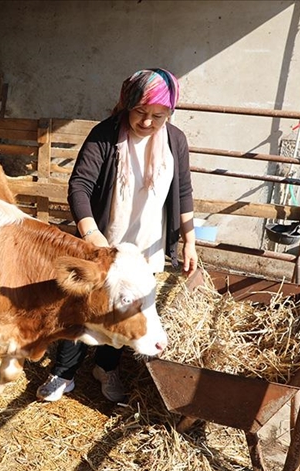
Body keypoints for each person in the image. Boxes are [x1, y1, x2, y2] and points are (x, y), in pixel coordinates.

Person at [36, 68, 198, 403]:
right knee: (83, 306)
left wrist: (189, 240)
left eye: (158, 115)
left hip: (145, 245)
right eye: (140, 112)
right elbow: (79, 186)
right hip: (104, 246)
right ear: (127, 104)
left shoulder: (175, 140)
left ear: (170, 113)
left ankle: (106, 368)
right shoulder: (105, 135)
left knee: (127, 312)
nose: (148, 122)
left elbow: (184, 191)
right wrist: (91, 233)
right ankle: (63, 373)